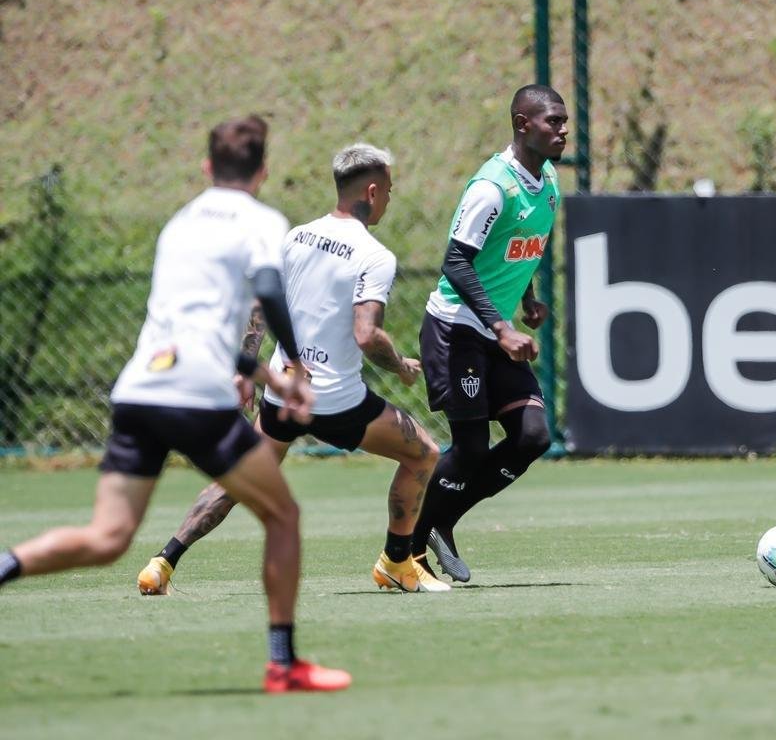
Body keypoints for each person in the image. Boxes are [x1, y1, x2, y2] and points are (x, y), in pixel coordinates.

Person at [0, 116, 351, 693]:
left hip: (140, 389)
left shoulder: (179, 225)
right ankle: (284, 664)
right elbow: (267, 288)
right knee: (282, 515)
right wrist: (296, 365)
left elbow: (190, 326)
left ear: (206, 168)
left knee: (107, 538)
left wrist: (262, 373)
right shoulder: (261, 222)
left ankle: (6, 565)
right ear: (263, 171)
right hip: (196, 398)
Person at [136, 143, 448, 596]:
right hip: (334, 400)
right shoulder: (374, 255)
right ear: (374, 192)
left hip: (281, 392)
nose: (389, 199)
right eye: (390, 191)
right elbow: (368, 335)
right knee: (423, 453)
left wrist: (246, 370)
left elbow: (261, 306)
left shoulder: (296, 236)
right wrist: (399, 365)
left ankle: (163, 561)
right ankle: (396, 562)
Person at [410, 84, 567, 582]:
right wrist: (501, 326)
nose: (563, 130)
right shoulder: (491, 187)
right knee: (472, 448)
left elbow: (520, 247)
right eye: (553, 122)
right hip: (457, 329)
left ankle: (442, 522)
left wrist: (526, 299)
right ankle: (406, 551)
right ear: (523, 125)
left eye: (564, 122)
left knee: (533, 435)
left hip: (495, 332)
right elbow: (456, 261)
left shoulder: (549, 182)